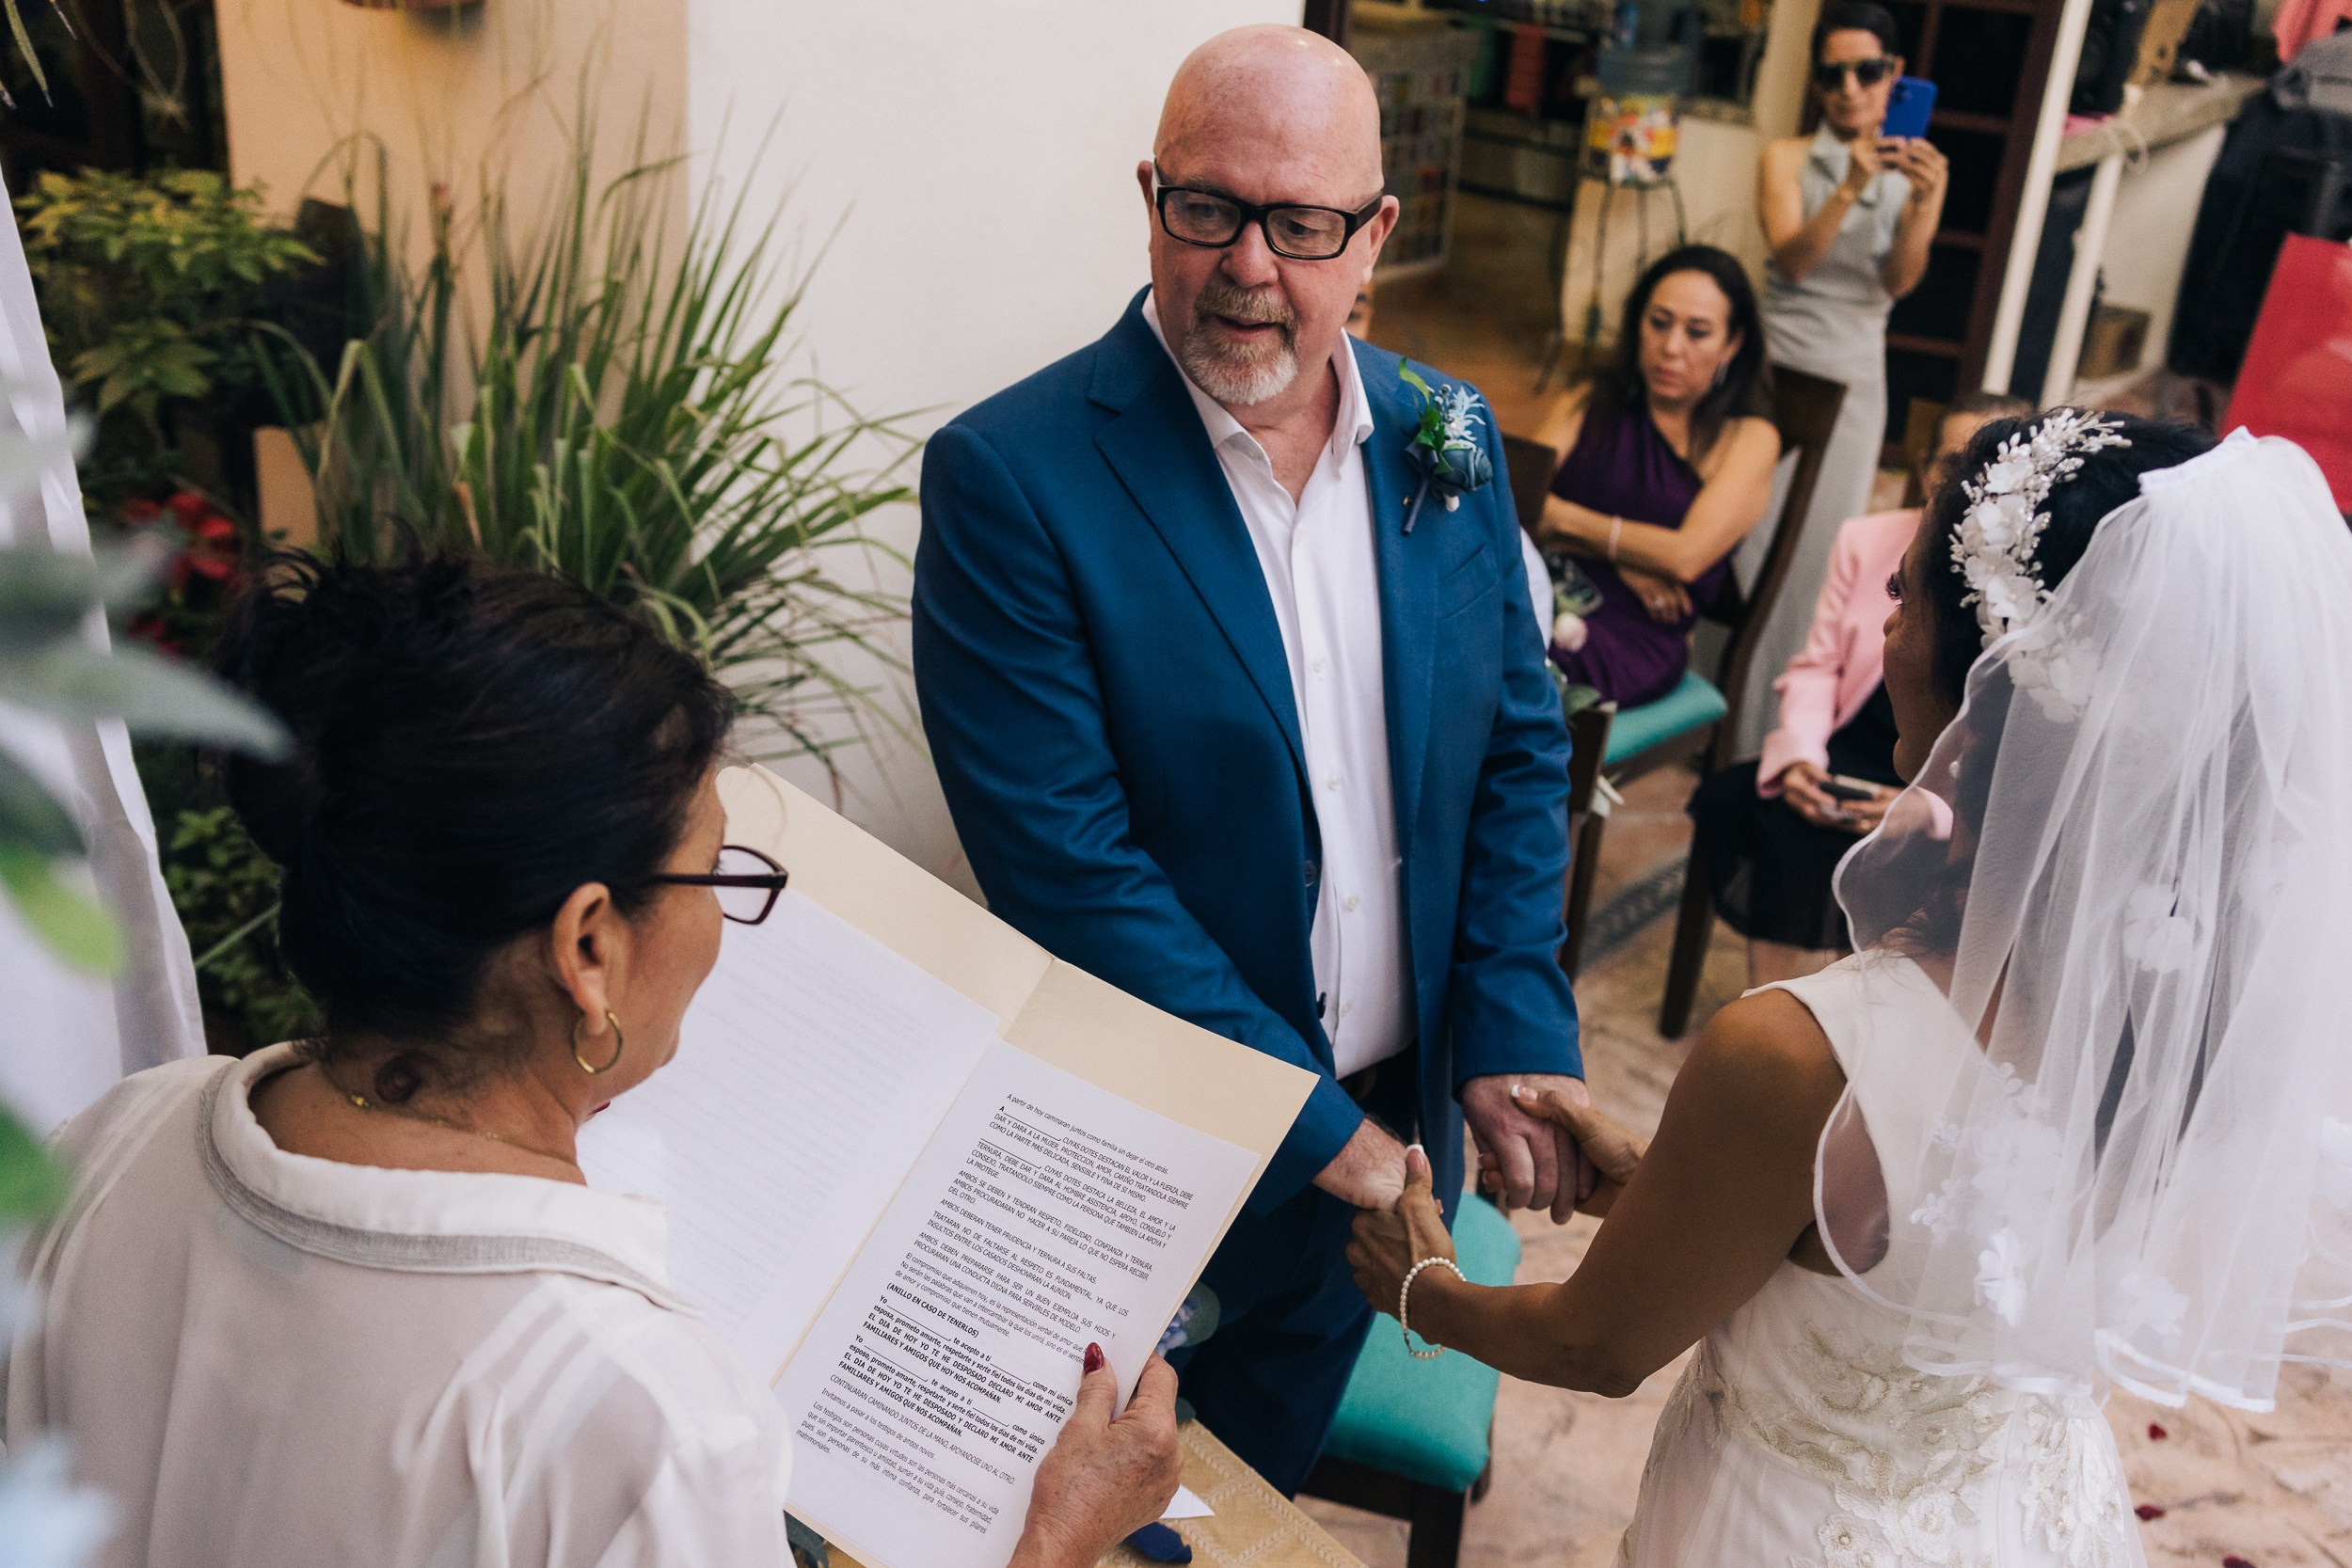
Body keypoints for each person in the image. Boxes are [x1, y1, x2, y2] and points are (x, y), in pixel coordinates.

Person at [2, 556, 1183, 1568]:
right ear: (587, 947)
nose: (723, 923)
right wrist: (1055, 1540)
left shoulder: (114, 1138)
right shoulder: (644, 1419)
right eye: (719, 875)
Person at [1351, 414, 2352, 1564]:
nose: (1886, 616)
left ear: (1996, 668)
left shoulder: (1799, 1054)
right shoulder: (2186, 1005)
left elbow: (1598, 1346)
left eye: (1909, 590)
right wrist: (1677, 1181)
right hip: (2022, 1518)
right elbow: (1924, 1257)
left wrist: (1420, 1283)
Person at [912, 24, 1588, 1496]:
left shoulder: (1444, 432)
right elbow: (1067, 869)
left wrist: (1514, 1019)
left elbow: (1519, 748)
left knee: (1253, 1488)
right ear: (1150, 194)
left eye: (1301, 223)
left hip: (1385, 1149)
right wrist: (1316, 1123)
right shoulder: (1012, 476)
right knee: (1102, 1515)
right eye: (1207, 207)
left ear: (1376, 236)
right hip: (1152, 1151)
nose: (1249, 266)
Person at [1686, 390, 2028, 986]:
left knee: (1896, 854)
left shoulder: (2025, 581)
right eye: (1951, 465)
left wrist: (1931, 807)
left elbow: (2014, 736)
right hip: (1856, 740)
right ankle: (1772, 1006)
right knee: (1769, 812)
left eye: (1987, 469)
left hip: (1947, 774)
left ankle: (1856, 1016)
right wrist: (1800, 757)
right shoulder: (1866, 540)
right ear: (1924, 468)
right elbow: (1818, 666)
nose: (1965, 486)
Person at [1739, 0, 1949, 750]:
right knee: (1749, 540)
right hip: (1773, 370)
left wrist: (1922, 203)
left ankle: (1784, 728)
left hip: (1855, 377)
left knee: (1820, 551)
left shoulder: (1917, 170)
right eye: (1833, 74)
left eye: (1866, 72)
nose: (1849, 89)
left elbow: (1899, 280)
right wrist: (1849, 185)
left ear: (1894, 76)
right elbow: (1794, 258)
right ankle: (1726, 705)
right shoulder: (1786, 157)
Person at [1528, 244, 1782, 706]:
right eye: (1659, 323)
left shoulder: (1748, 438)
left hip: (1631, 639)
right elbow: (1516, 502)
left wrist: (1562, 520)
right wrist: (1628, 556)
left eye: (1698, 333)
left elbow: (1685, 557)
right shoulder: (1589, 399)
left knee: (1503, 662)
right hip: (1542, 581)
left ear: (1732, 343)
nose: (1671, 347)